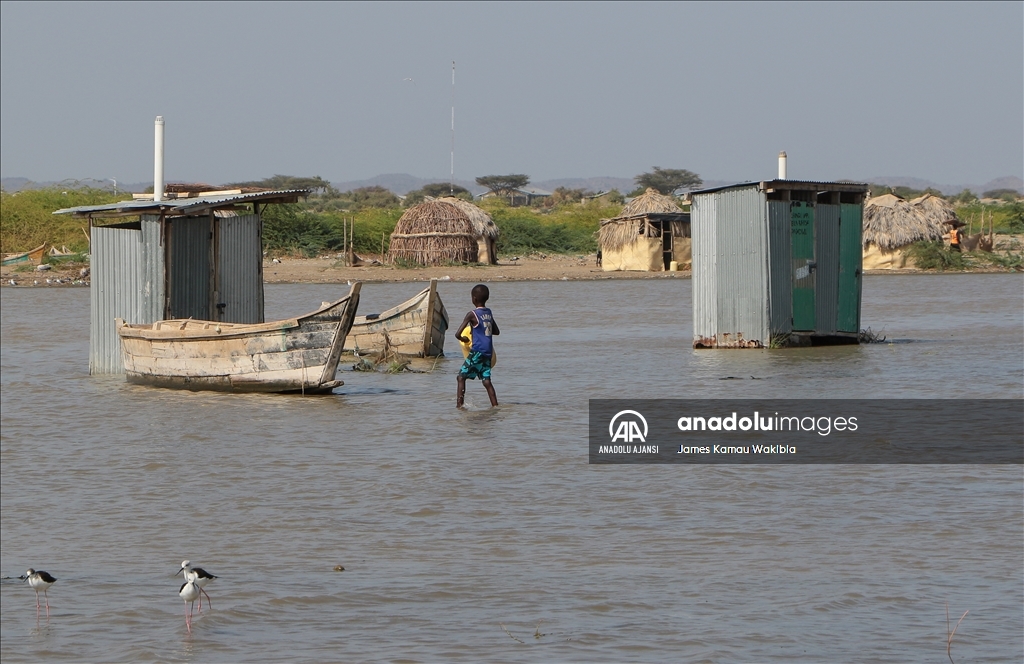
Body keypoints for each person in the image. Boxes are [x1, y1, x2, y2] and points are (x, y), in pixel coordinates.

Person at [456, 284, 499, 408]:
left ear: (474, 299)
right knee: (486, 381)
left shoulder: (472, 314)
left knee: (460, 377)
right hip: (488, 352)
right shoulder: (489, 312)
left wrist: (464, 338)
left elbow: (457, 334)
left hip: (477, 351)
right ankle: (495, 406)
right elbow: (496, 331)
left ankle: (459, 407)